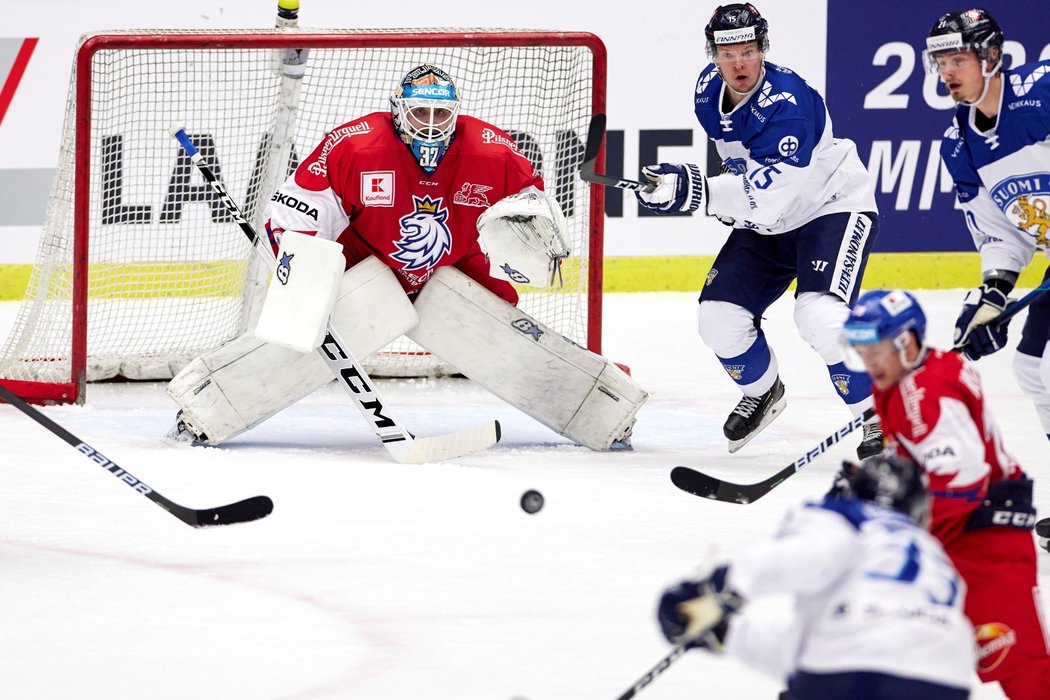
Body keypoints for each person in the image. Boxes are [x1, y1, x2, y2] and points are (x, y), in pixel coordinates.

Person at [164, 64, 647, 451]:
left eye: (442, 115)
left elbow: (531, 216)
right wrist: (302, 273)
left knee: (511, 343)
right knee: (304, 332)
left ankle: (602, 407)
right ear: (399, 111)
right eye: (421, 114)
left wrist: (535, 245)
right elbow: (294, 210)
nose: (432, 126)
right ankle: (206, 408)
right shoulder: (353, 145)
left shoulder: (493, 153)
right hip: (365, 263)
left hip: (460, 267)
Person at [635, 3, 882, 459]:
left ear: (762, 49)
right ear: (713, 54)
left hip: (830, 208)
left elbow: (773, 195)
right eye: (727, 53)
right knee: (718, 319)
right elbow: (743, 168)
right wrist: (682, 185)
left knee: (819, 316)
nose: (739, 63)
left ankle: (877, 417)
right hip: (769, 221)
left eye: (748, 51)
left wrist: (693, 190)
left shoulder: (788, 105)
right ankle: (764, 392)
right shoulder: (708, 90)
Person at [843, 288, 1050, 698]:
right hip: (951, 541)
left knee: (1018, 666)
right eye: (861, 353)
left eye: (876, 351)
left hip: (986, 545)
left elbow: (963, 480)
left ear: (907, 343)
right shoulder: (919, 374)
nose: (868, 363)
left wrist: (894, 513)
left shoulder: (927, 396)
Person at [657, 453, 975, 699]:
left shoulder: (846, 516)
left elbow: (805, 559)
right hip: (944, 675)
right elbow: (820, 645)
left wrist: (723, 583)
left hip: (845, 674)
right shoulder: (935, 555)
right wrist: (732, 635)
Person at [925, 8, 1050, 444]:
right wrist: (992, 296)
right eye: (940, 63)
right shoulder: (959, 144)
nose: (947, 73)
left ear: (991, 55)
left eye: (957, 60)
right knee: (1033, 369)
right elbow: (1002, 232)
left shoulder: (1044, 90)